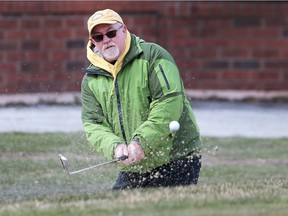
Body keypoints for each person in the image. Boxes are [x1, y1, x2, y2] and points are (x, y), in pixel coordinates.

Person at [81, 9, 202, 190]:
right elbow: (93, 124)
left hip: (177, 156)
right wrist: (115, 147)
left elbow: (168, 104)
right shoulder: (91, 79)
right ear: (93, 42)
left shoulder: (154, 56)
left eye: (111, 33)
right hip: (135, 165)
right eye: (98, 37)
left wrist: (141, 142)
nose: (106, 40)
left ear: (123, 30)